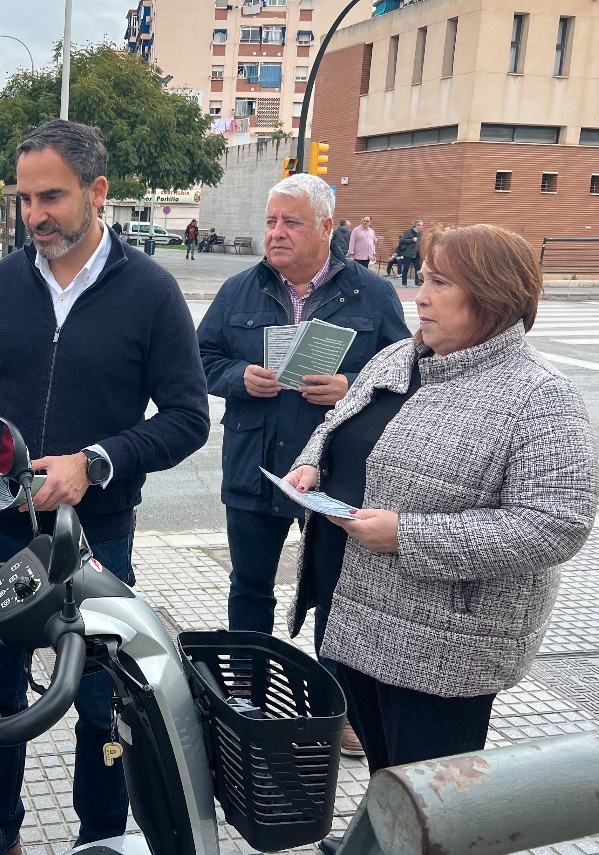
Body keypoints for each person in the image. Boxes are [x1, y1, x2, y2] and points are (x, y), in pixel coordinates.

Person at [282, 225, 598, 853]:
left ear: (493, 297)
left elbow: (559, 521)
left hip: (443, 644)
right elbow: (342, 424)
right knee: (386, 772)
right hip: (352, 612)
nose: (419, 295)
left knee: (435, 799)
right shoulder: (398, 358)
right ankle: (375, 839)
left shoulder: (539, 397)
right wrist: (314, 460)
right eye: (423, 277)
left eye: (440, 282)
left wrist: (410, 536)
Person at [0, 119, 210, 854]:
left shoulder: (153, 292)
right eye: (26, 198)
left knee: (104, 703)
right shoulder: (6, 279)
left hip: (97, 540)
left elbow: (190, 417)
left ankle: (99, 837)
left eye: (53, 196)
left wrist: (93, 463)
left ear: (98, 191)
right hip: (0, 527)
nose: (35, 214)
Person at [196, 173, 410, 755]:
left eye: (291, 222)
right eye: (271, 221)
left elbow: (408, 374)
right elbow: (201, 357)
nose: (277, 233)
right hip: (256, 464)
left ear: (325, 227)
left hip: (336, 473)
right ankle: (245, 687)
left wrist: (352, 386)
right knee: (249, 585)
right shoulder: (240, 290)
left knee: (335, 590)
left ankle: (334, 704)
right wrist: (238, 378)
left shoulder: (372, 295)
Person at [395, 219, 424, 286]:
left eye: (423, 225)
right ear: (417, 225)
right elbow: (402, 240)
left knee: (418, 267)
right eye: (421, 225)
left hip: (417, 253)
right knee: (406, 268)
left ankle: (417, 282)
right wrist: (412, 240)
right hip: (408, 253)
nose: (422, 227)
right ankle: (404, 282)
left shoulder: (421, 233)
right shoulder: (408, 232)